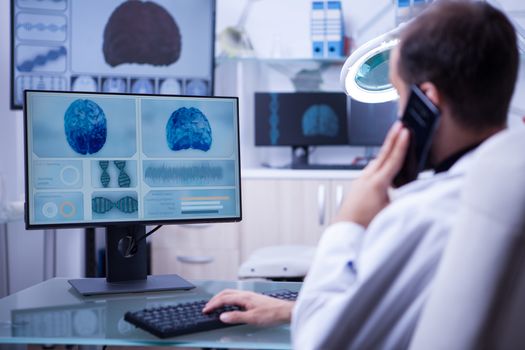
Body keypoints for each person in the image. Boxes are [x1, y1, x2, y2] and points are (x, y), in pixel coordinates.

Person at [203, 1, 519, 347]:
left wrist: (348, 222)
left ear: (427, 100)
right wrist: (293, 309)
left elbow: (322, 342)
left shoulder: (422, 214)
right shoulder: (504, 190)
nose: (398, 115)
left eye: (399, 95)